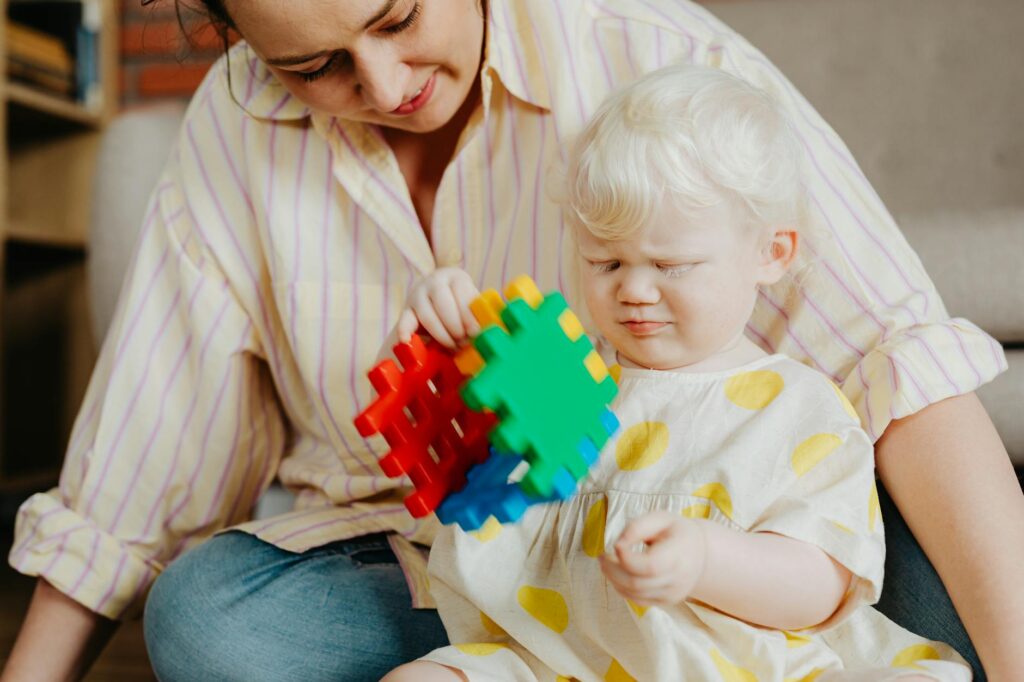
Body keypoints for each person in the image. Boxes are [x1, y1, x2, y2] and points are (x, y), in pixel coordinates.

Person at [1, 1, 1020, 681]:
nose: (389, 83)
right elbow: (139, 460)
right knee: (209, 619)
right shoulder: (236, 123)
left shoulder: (657, 56)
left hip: (738, 543)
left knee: (925, 594)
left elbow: (897, 361)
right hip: (478, 566)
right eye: (313, 67)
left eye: (397, 15)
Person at [384, 62, 973, 682]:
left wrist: (706, 562)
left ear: (771, 254)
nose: (634, 289)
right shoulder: (564, 381)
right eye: (605, 262)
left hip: (736, 668)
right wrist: (450, 320)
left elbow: (822, 588)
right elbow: (472, 483)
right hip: (550, 662)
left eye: (672, 265)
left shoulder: (798, 409)